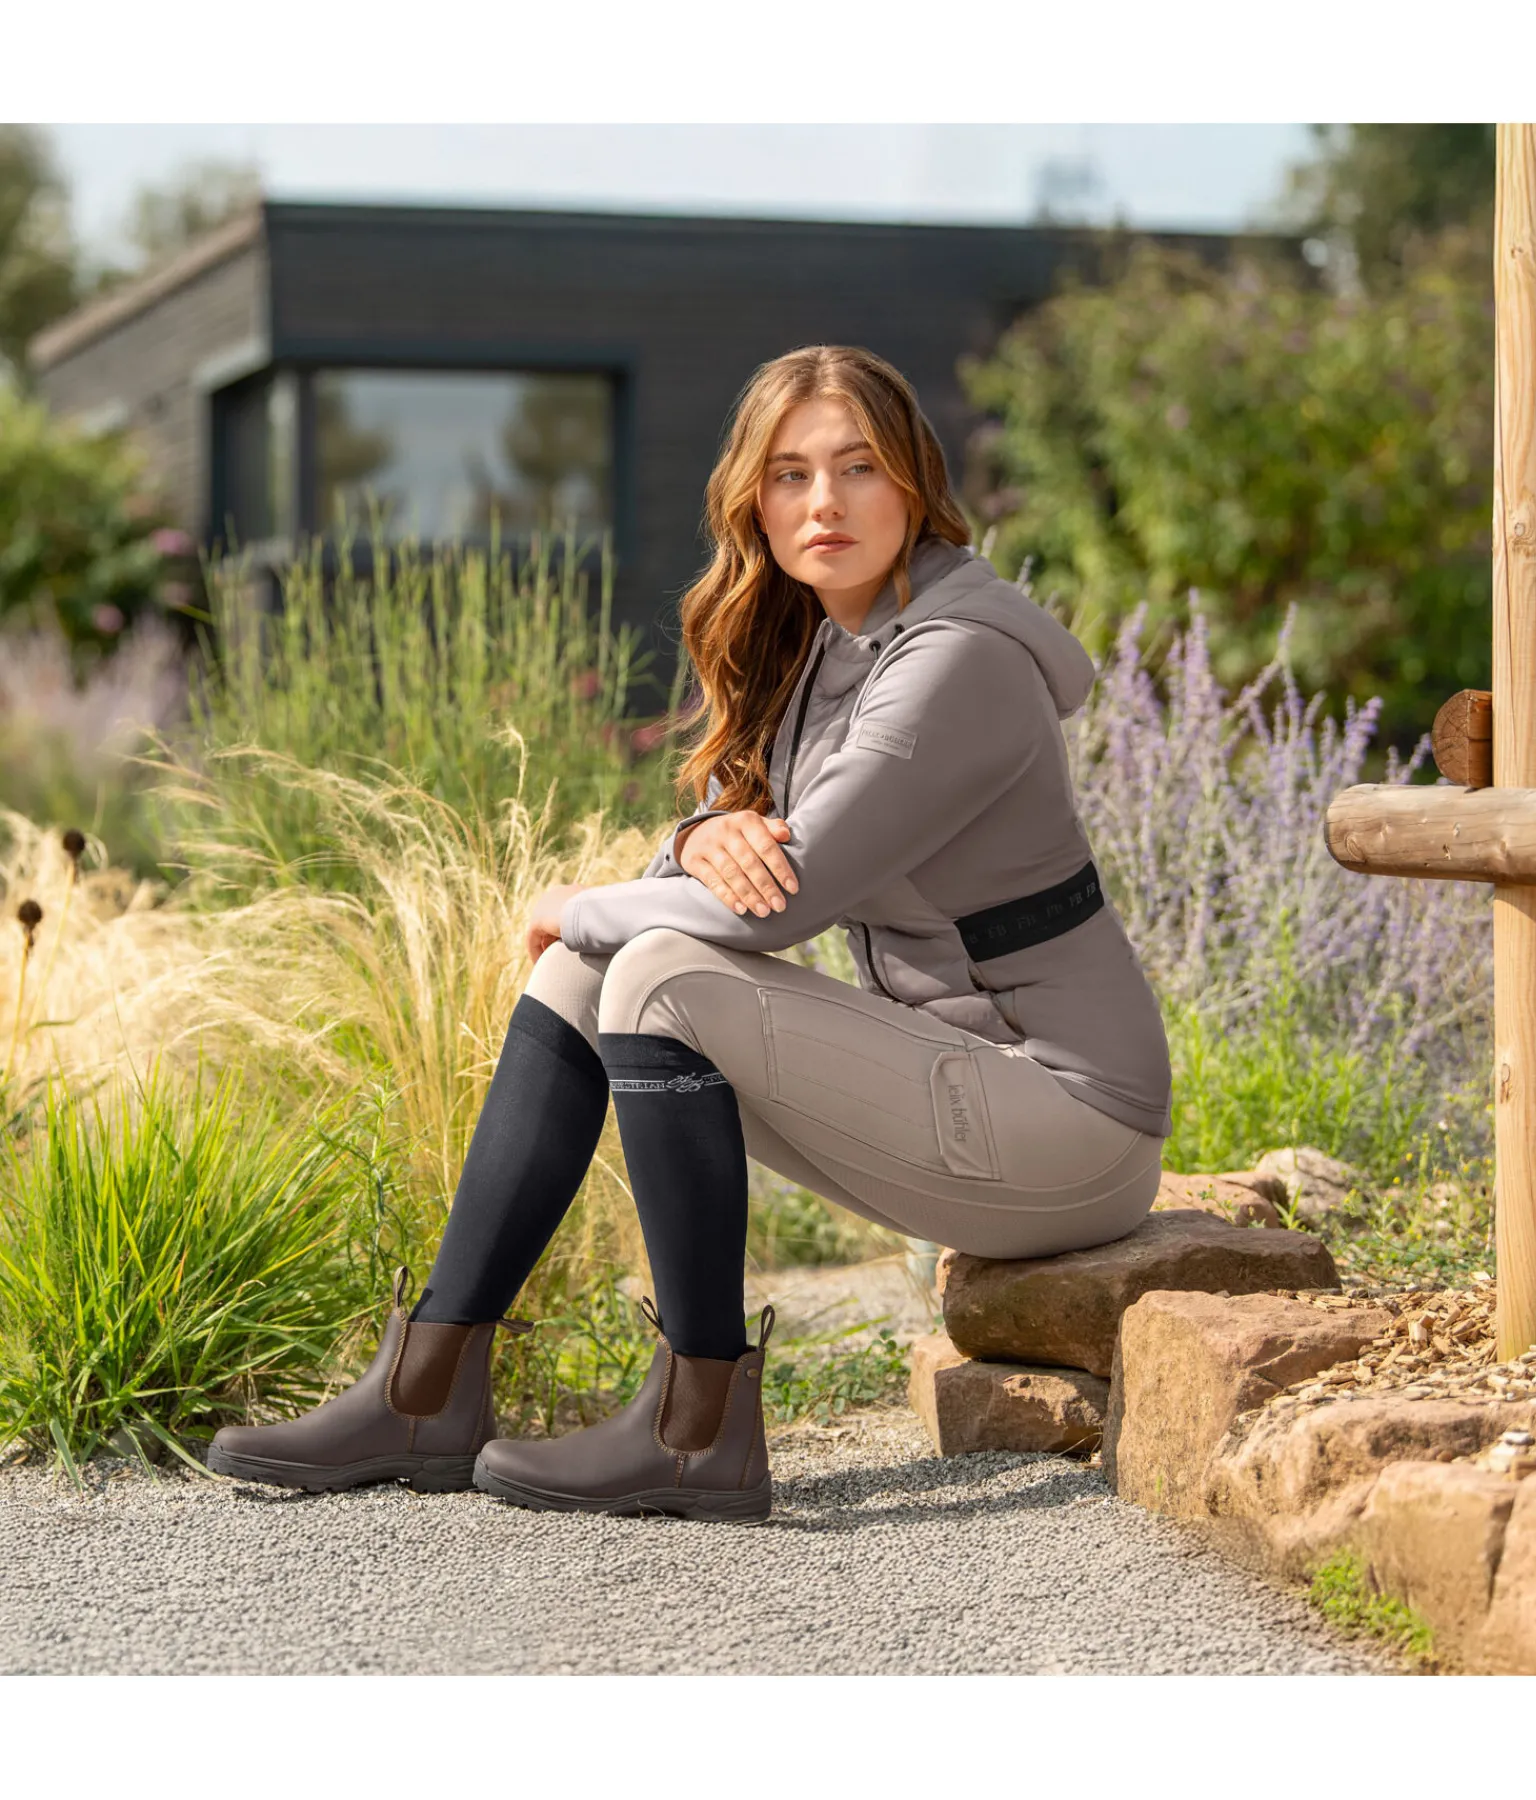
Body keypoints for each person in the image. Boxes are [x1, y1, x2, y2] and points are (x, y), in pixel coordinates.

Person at [206, 343, 1174, 1523]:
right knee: (584, 976)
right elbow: (722, 866)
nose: (822, 504)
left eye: (858, 468)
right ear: (751, 500)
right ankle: (428, 1388)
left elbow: (784, 900)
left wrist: (571, 901)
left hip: (1069, 1127)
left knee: (647, 968)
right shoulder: (817, 645)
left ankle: (696, 1427)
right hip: (958, 1087)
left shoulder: (958, 660)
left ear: (913, 483)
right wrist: (702, 831)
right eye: (789, 475)